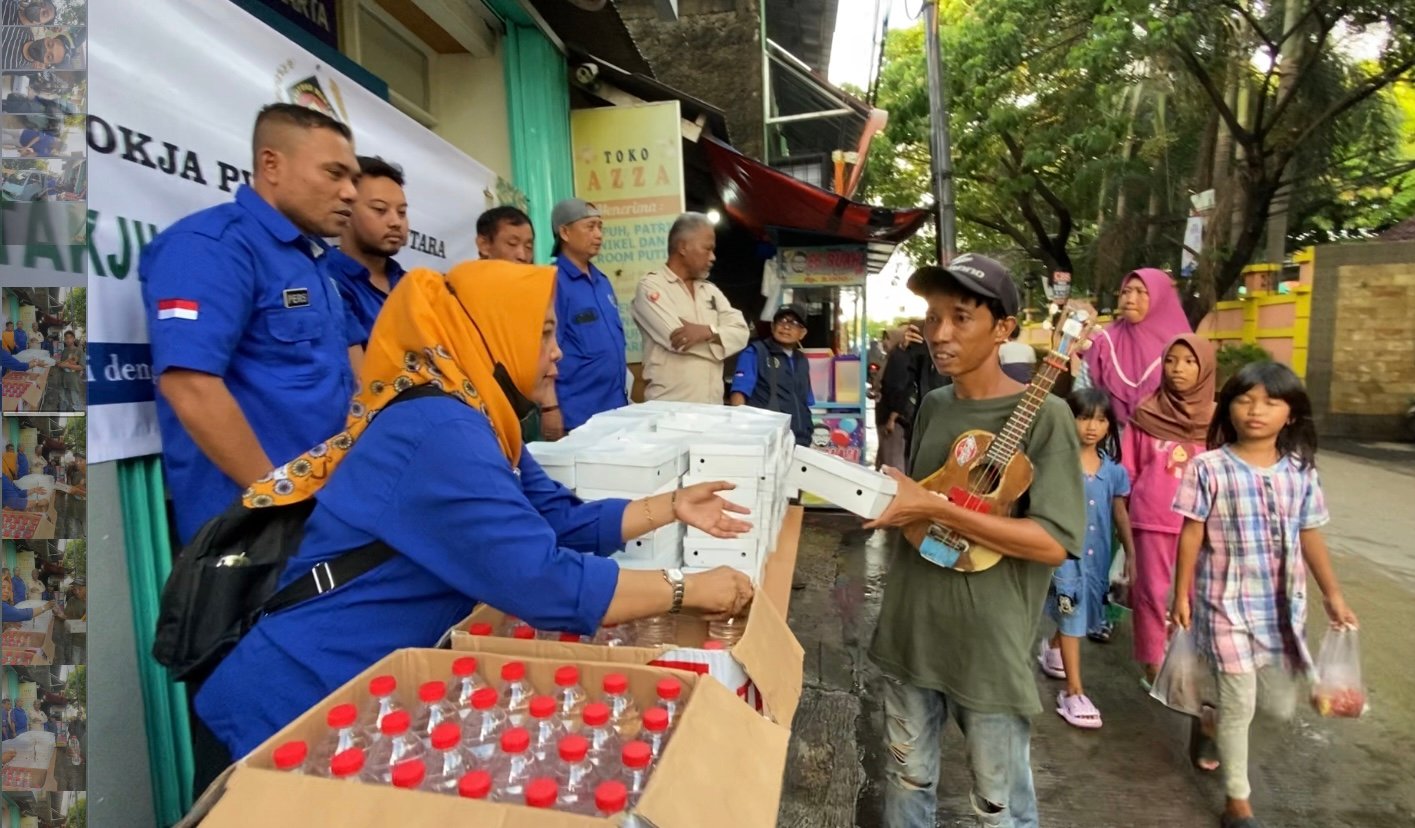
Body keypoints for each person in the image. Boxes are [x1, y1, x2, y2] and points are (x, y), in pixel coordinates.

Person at [195, 260, 756, 764]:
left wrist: (670, 506)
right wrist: (686, 588)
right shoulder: (440, 430)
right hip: (292, 702)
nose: (557, 353)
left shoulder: (482, 419)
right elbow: (543, 582)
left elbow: (557, 520)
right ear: (491, 333)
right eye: (543, 333)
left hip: (361, 700)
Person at [862, 254, 1085, 828]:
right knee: (907, 783)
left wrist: (938, 508)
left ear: (1003, 328)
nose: (940, 333)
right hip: (911, 633)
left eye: (960, 317)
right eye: (933, 317)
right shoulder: (935, 405)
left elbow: (1053, 543)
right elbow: (924, 509)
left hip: (988, 650)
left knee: (997, 808)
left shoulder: (1049, 417)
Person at [139, 103, 363, 544]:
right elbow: (189, 386)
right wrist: (282, 503)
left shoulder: (315, 261)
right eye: (335, 173)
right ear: (271, 165)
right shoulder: (209, 246)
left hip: (330, 510)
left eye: (353, 178)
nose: (350, 192)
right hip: (258, 530)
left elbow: (356, 372)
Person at [1171, 361, 1358, 828]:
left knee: (1277, 706)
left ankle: (1209, 720)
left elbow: (1310, 533)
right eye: (1244, 399)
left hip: (1281, 609)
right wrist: (1181, 595)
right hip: (1223, 604)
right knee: (1241, 703)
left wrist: (1333, 594)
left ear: (1290, 414)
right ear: (1228, 408)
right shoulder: (1208, 467)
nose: (1256, 411)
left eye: (1271, 402)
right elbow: (1191, 533)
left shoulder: (1301, 472)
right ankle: (1238, 801)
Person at [1037, 388, 1136, 730]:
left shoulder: (1114, 471)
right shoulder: (1055, 464)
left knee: (1083, 611)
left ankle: (1053, 647)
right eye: (1083, 418)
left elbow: (1120, 514)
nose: (1092, 427)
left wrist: (1131, 553)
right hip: (1064, 558)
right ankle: (1074, 691)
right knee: (1071, 613)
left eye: (1101, 419)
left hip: (1097, 559)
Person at [1123, 333, 1215, 689]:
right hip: (1152, 519)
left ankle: (1183, 659)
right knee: (1151, 593)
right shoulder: (1146, 413)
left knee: (1191, 593)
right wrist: (1124, 517)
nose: (1179, 369)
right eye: (1171, 360)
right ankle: (1153, 664)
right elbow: (1130, 468)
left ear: (1205, 368)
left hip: (1201, 522)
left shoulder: (1217, 420)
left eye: (1190, 362)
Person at [632, 212, 750, 404]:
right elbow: (677, 340)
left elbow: (742, 333)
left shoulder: (710, 291)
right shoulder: (651, 286)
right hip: (670, 410)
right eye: (707, 249)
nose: (713, 257)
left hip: (712, 410)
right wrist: (723, 343)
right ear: (683, 247)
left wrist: (708, 331)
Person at [549, 198, 627, 435]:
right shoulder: (552, 282)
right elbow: (545, 351)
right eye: (590, 227)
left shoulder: (602, 281)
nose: (599, 235)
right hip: (577, 415)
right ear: (565, 232)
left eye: (600, 227)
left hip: (615, 410)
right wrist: (550, 407)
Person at [1080, 268, 1191, 425]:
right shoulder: (1103, 343)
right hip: (1111, 435)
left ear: (1160, 297)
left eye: (1140, 292)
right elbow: (1082, 396)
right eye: (1126, 292)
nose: (1130, 299)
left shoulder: (1184, 346)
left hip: (1168, 435)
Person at [323, 155, 408, 348]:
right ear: (346, 210)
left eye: (402, 212)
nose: (396, 222)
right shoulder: (327, 279)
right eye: (380, 209)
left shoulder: (412, 283)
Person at [729, 305, 814, 445]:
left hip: (800, 439)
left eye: (793, 323)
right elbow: (739, 393)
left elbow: (806, 401)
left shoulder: (802, 360)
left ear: (802, 333)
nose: (786, 327)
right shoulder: (755, 352)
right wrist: (740, 432)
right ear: (773, 326)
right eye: (782, 321)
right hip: (766, 439)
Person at [874, 327, 911, 470]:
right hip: (885, 416)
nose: (884, 342)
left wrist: (892, 419)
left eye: (888, 339)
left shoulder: (898, 359)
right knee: (887, 460)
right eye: (883, 338)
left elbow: (900, 390)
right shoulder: (890, 358)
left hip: (892, 421)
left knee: (893, 464)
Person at [0, 29, 77, 71]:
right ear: (47, 38)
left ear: (46, 63)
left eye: (49, 57)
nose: (44, 50)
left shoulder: (19, 68)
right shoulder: (22, 29)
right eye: (49, 44)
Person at [55, 329, 83, 410]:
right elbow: (62, 363)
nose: (68, 339)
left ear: (74, 339)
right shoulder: (64, 350)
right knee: (63, 399)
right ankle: (64, 411)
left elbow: (81, 367)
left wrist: (68, 365)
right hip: (63, 379)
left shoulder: (79, 351)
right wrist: (59, 363)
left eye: (70, 337)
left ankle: (77, 412)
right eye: (66, 338)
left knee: (75, 401)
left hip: (73, 381)